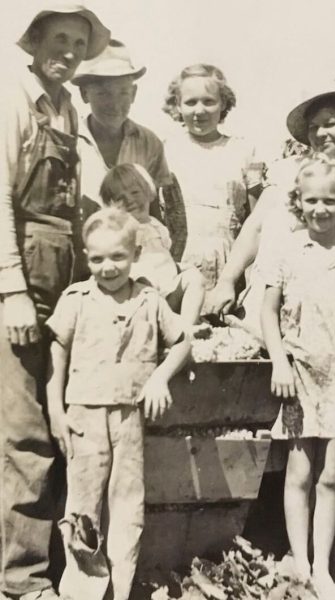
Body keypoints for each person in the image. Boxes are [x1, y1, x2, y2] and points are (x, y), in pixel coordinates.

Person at [0, 4, 110, 599]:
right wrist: (10, 288)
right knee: (23, 431)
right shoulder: (12, 97)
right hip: (20, 279)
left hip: (61, 274)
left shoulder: (65, 107)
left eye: (77, 42)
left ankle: (55, 566)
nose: (67, 50)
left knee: (56, 422)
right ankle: (21, 581)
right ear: (35, 41)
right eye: (58, 39)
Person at [46, 208, 191, 600]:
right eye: (96, 259)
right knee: (82, 508)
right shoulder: (76, 299)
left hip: (129, 418)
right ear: (86, 256)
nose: (107, 267)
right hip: (83, 418)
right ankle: (83, 591)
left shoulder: (150, 299)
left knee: (128, 507)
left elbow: (182, 343)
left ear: (135, 253)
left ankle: (120, 590)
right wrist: (56, 410)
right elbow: (56, 355)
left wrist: (160, 376)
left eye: (117, 257)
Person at [208, 88, 335, 361]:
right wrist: (227, 280)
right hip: (264, 314)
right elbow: (255, 227)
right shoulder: (288, 171)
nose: (321, 133)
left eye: (330, 123)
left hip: (332, 323)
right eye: (313, 126)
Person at [260, 157, 335, 599]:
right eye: (312, 200)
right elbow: (269, 313)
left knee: (330, 477)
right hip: (300, 374)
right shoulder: (288, 252)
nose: (321, 209)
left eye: (330, 200)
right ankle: (301, 564)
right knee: (299, 474)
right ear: (299, 202)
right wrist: (279, 362)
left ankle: (324, 566)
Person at [71, 39, 186, 259]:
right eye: (103, 94)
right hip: (82, 257)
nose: (114, 104)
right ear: (85, 94)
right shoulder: (70, 140)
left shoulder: (149, 142)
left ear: (133, 93)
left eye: (122, 93)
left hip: (136, 261)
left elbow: (159, 212)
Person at [162, 63, 265, 297]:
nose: (200, 110)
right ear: (177, 105)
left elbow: (255, 219)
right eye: (190, 102)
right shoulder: (166, 151)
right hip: (177, 259)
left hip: (229, 263)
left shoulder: (243, 151)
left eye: (209, 101)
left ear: (224, 104)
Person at [99, 163, 205, 328]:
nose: (129, 200)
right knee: (141, 281)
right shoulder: (123, 229)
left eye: (135, 192)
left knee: (194, 277)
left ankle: (186, 327)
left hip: (168, 290)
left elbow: (164, 256)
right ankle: (158, 329)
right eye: (120, 198)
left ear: (149, 193)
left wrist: (179, 268)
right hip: (141, 297)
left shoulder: (156, 225)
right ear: (110, 204)